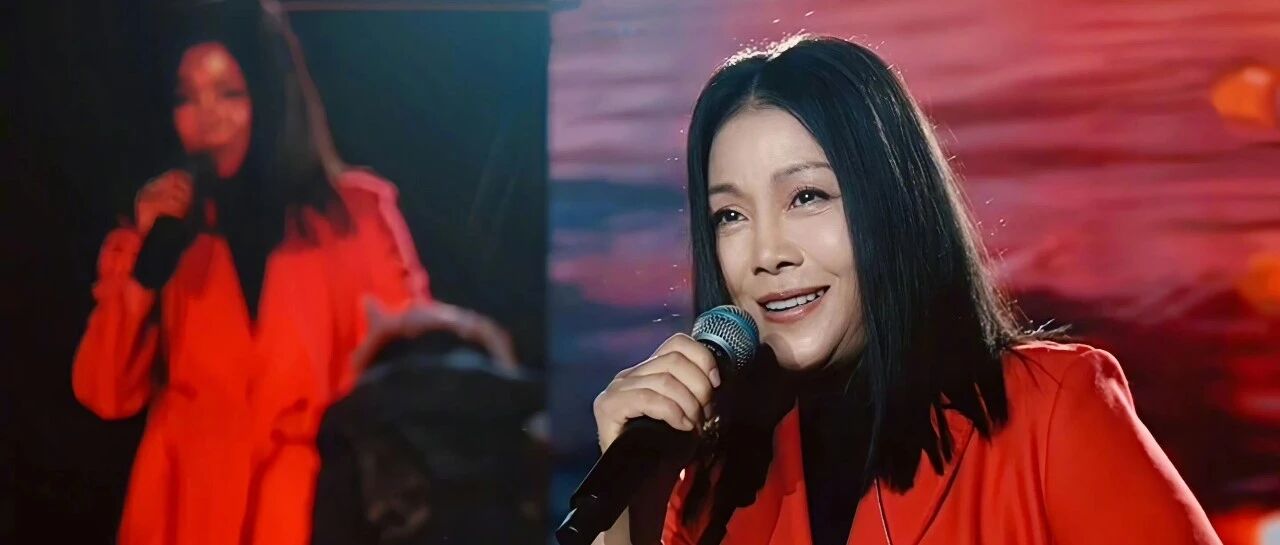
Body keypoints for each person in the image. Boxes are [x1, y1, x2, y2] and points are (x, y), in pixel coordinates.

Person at [590, 35, 1222, 545]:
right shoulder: (721, 487)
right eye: (730, 215)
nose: (766, 254)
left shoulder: (1053, 411)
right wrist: (625, 512)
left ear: (892, 206)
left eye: (807, 197)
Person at [71, 1, 514, 544]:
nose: (207, 116)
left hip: (308, 511)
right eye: (186, 98)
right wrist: (144, 269)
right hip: (183, 513)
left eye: (229, 93)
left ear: (270, 94)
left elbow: (412, 371)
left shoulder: (357, 217)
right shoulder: (161, 230)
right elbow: (104, 393)